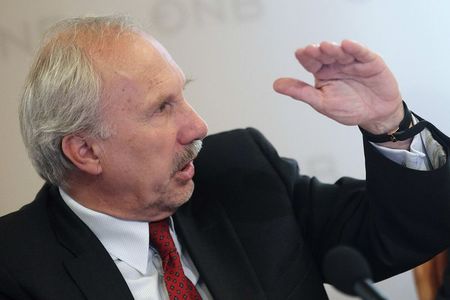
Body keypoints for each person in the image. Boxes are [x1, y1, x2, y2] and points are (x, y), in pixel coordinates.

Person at [0, 15, 449, 300]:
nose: (197, 127)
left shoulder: (238, 172)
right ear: (85, 151)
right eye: (162, 108)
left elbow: (405, 233)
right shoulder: (16, 267)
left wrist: (389, 122)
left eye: (183, 95)